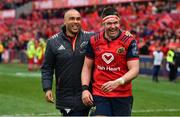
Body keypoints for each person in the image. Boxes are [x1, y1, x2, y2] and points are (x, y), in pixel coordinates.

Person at [81, 7, 139, 116]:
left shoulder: (129, 41)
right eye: (109, 23)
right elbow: (87, 67)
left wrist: (118, 82)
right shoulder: (94, 41)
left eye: (115, 23)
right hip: (100, 94)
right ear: (103, 23)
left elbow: (135, 70)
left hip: (123, 95)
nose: (113, 26)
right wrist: (84, 89)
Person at [41, 9, 94, 116]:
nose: (76, 21)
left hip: (90, 93)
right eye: (72, 19)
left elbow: (109, 37)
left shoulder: (91, 38)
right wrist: (47, 88)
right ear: (65, 21)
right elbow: (47, 68)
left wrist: (124, 35)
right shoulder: (53, 42)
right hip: (67, 97)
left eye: (78, 19)